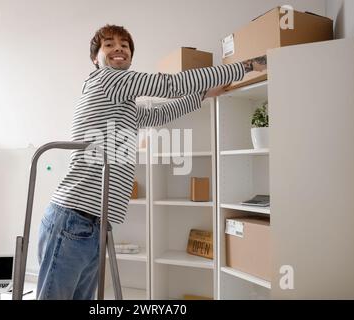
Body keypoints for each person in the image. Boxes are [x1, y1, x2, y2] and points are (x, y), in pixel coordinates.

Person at [36, 24, 267, 300]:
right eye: (109, 44)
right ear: (95, 59)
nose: (118, 48)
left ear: (131, 55)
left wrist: (203, 94)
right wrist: (246, 66)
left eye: (125, 45)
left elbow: (160, 114)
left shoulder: (122, 104)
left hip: (93, 227)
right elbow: (169, 86)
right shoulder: (108, 81)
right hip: (73, 220)